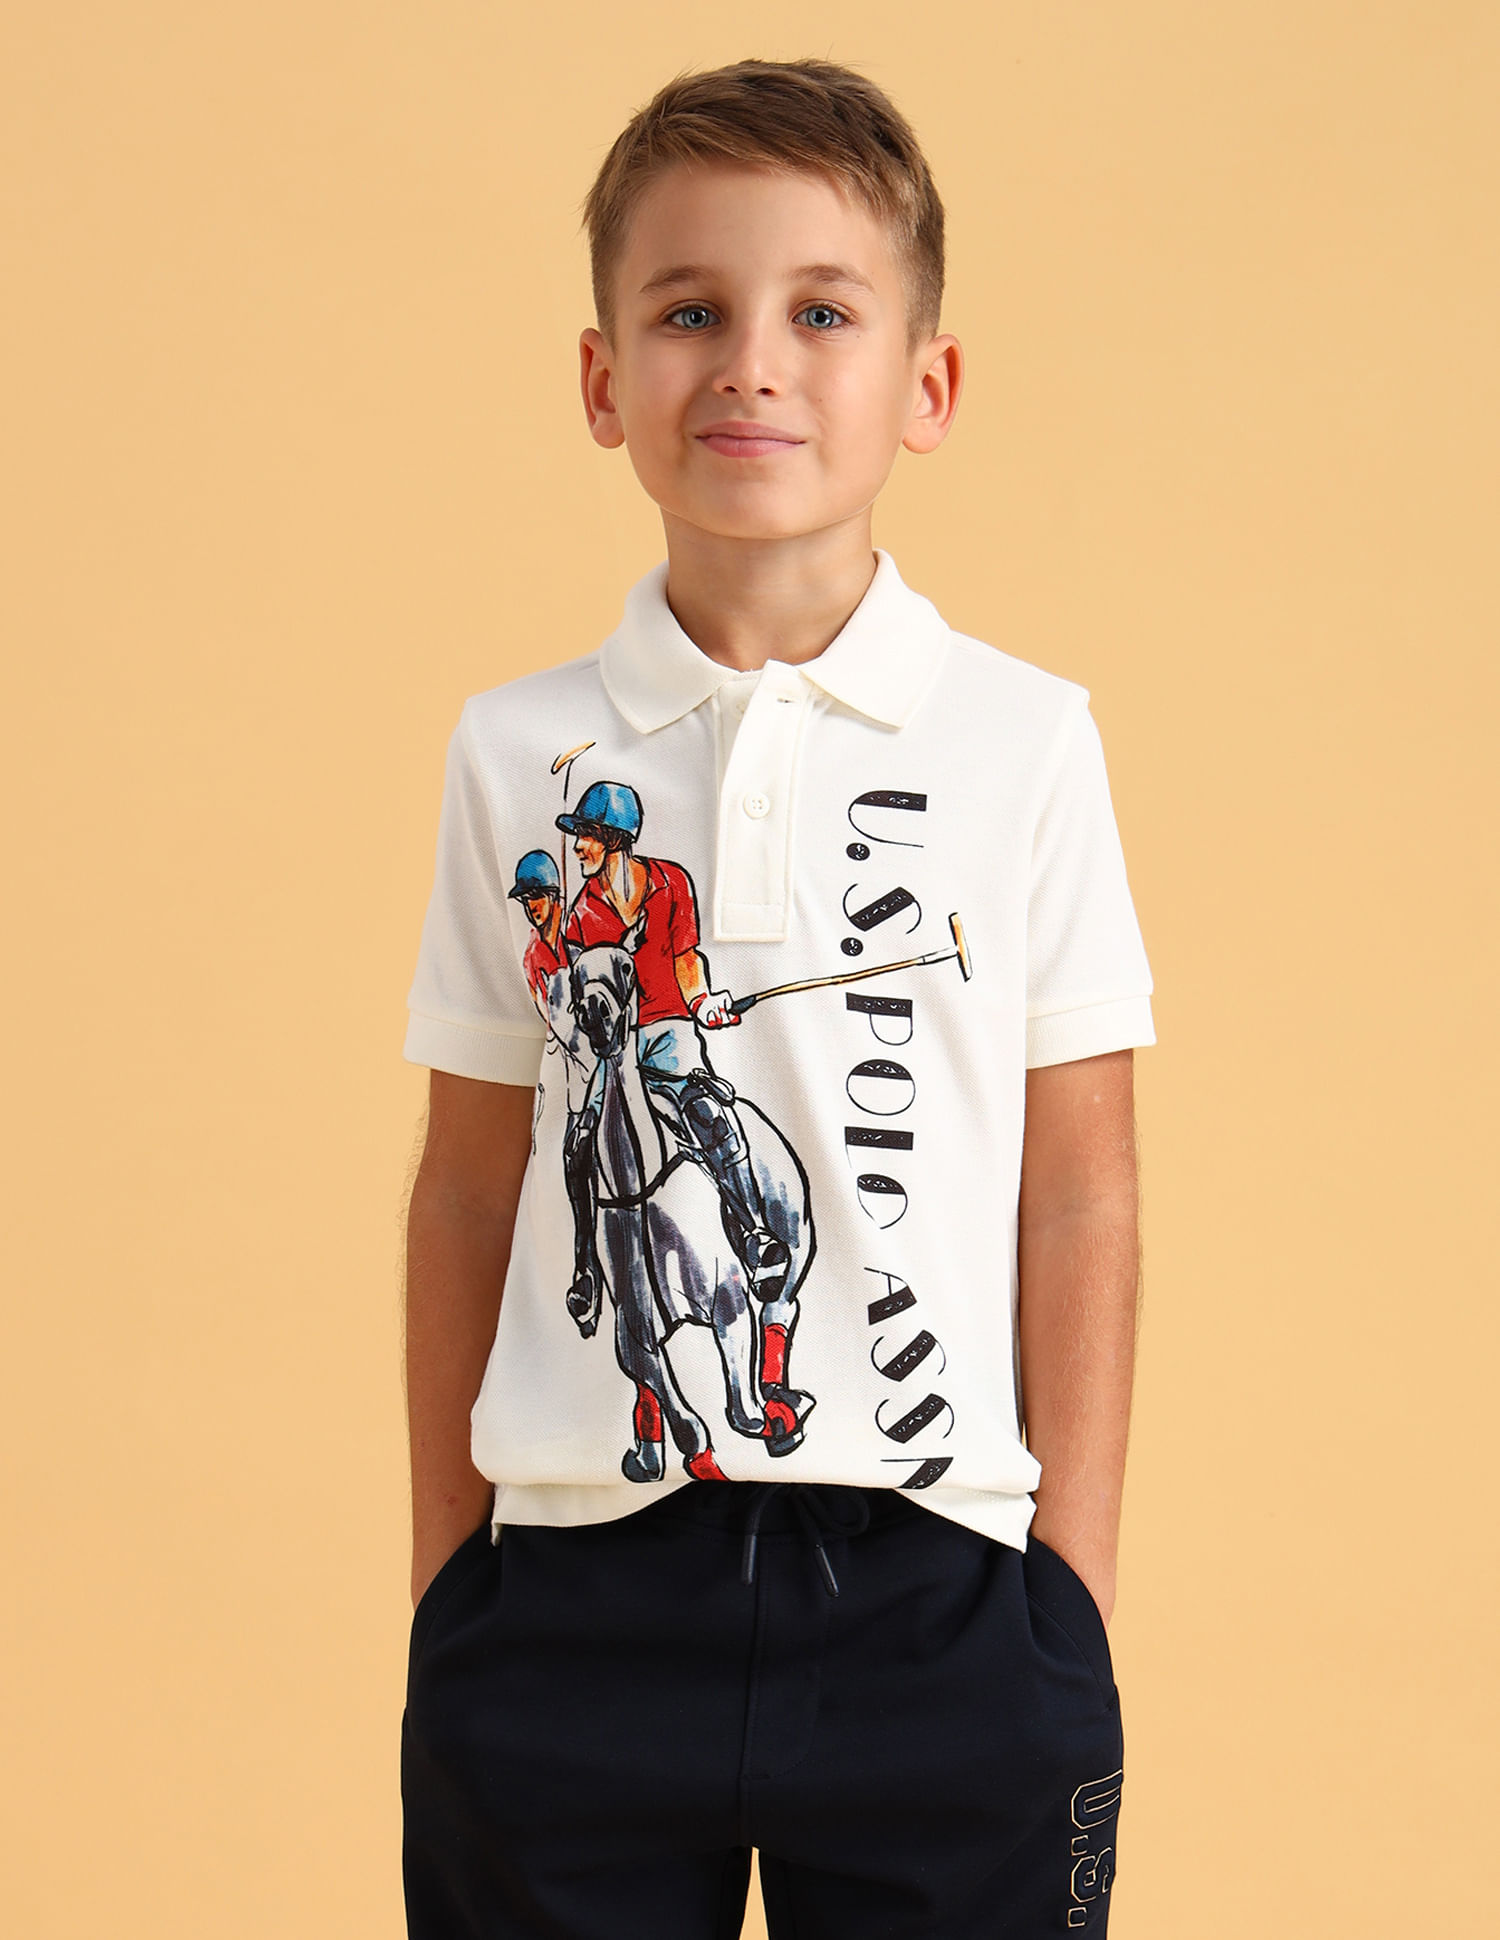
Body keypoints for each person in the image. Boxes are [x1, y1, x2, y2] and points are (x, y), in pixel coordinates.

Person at [400, 56, 1154, 1940]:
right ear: (604, 383)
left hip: (942, 1600)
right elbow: (468, 1186)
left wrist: (1067, 1597)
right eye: (689, 313)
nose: (751, 365)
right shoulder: (518, 757)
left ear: (927, 385)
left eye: (822, 312)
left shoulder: (1026, 742)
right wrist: (448, 1582)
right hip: (573, 1602)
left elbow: (1082, 1190)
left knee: (709, 1135)